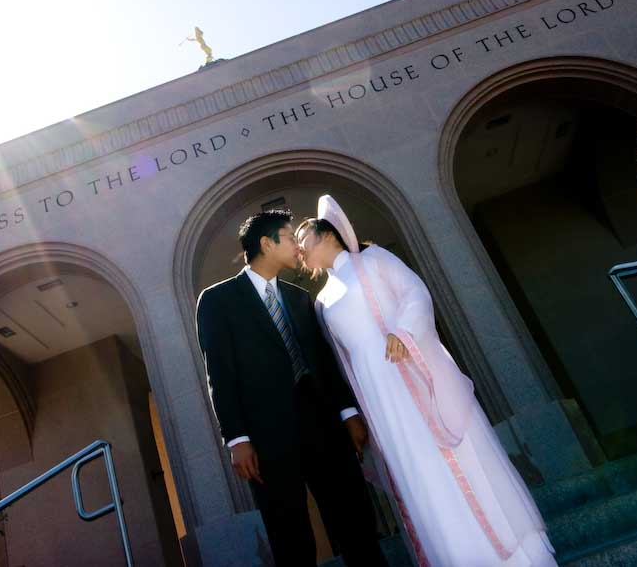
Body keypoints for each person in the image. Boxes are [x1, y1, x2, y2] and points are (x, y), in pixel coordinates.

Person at [296, 195, 557, 567]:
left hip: (411, 375)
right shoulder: (321, 301)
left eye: (304, 240)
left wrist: (403, 332)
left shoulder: (372, 260)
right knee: (417, 473)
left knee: (451, 459)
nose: (300, 252)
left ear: (325, 236)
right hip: (379, 398)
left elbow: (415, 293)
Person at [196, 209, 387, 567]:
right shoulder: (217, 300)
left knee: (356, 524)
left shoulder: (300, 297)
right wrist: (236, 438)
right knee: (291, 540)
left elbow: (325, 363)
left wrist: (348, 413)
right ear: (266, 244)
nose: (298, 247)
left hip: (326, 429)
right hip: (267, 440)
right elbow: (219, 373)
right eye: (288, 237)